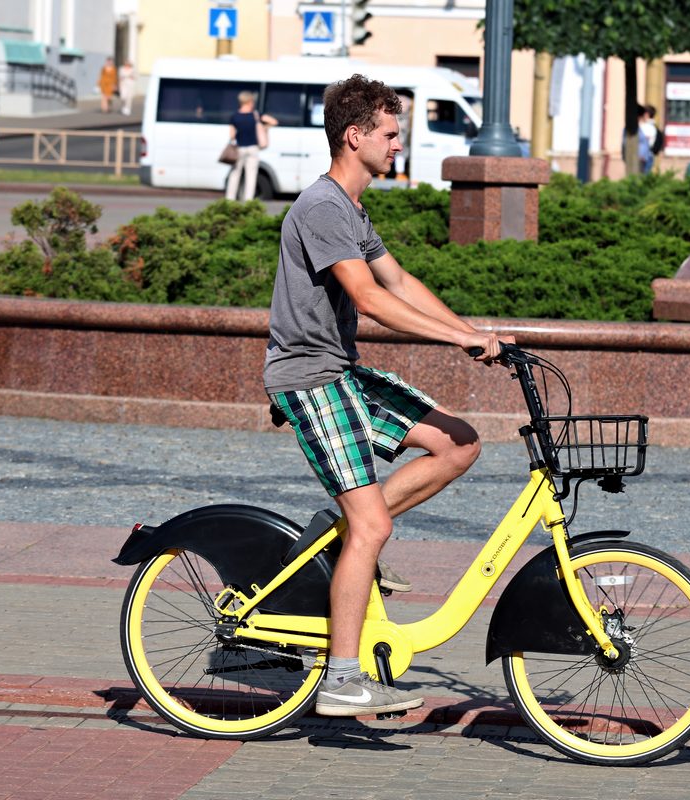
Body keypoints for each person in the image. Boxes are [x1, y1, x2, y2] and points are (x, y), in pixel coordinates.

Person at [264, 74, 507, 716]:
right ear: (355, 136)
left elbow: (397, 279)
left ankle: (345, 533)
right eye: (391, 134)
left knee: (458, 443)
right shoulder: (321, 208)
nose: (398, 145)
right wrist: (457, 343)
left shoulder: (351, 208)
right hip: (309, 378)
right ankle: (341, 680)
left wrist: (473, 333)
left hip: (340, 369)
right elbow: (370, 300)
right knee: (372, 525)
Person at [225, 91, 278, 201]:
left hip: (239, 149)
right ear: (249, 101)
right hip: (253, 148)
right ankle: (248, 200)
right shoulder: (256, 115)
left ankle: (229, 199)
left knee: (235, 174)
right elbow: (274, 121)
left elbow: (232, 135)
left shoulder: (235, 117)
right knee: (251, 175)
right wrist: (264, 128)